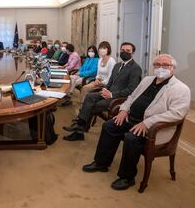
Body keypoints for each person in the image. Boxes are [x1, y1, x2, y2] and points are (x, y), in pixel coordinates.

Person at [82, 54, 191, 190]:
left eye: (165, 65)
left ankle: (127, 177)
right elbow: (132, 96)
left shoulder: (181, 89)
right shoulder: (147, 80)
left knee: (131, 138)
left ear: (173, 68)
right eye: (157, 65)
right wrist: (123, 110)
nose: (160, 68)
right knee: (109, 126)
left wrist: (147, 123)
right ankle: (101, 163)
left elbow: (177, 113)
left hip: (153, 128)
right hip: (131, 118)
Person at [62, 42, 142, 141]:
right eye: (122, 50)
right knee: (89, 96)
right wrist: (105, 89)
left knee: (92, 105)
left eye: (128, 51)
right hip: (108, 92)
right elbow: (111, 81)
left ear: (132, 53)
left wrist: (112, 94)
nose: (124, 52)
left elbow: (131, 90)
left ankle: (79, 129)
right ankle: (80, 125)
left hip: (118, 98)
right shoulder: (117, 65)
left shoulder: (136, 68)